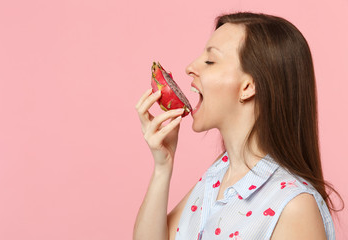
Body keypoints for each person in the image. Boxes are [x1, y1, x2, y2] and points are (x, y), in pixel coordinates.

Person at [133, 12, 342, 240]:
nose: (190, 67)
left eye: (210, 61)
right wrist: (163, 166)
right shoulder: (218, 174)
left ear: (247, 87)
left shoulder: (294, 206)